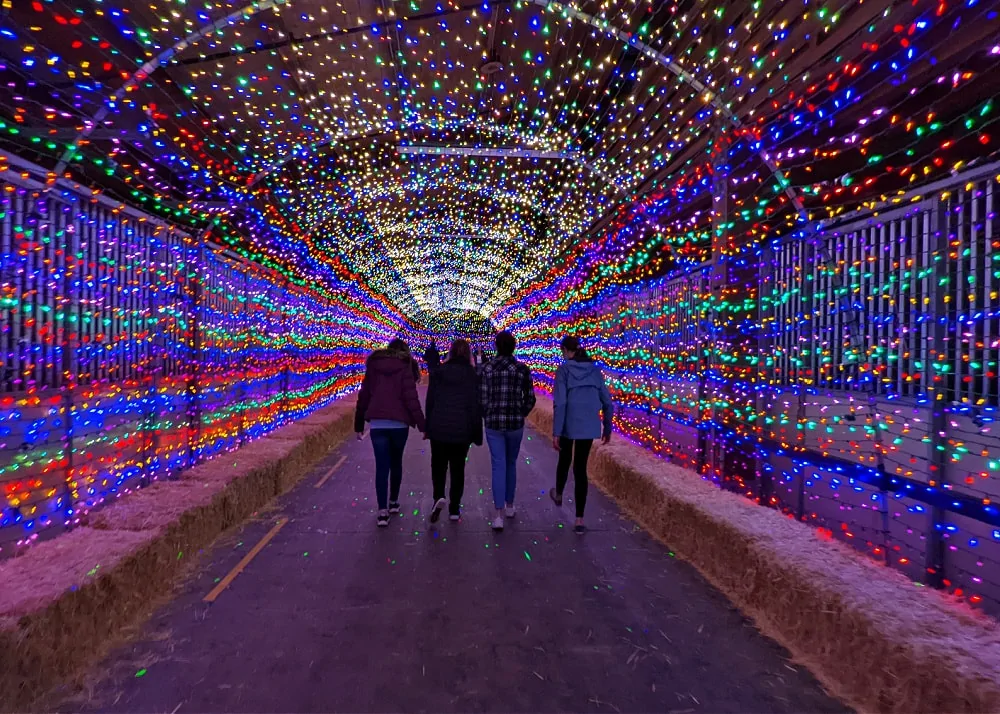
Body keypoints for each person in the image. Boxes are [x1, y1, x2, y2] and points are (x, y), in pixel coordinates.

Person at [354, 338, 426, 527]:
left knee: (381, 466)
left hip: (377, 423)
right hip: (399, 424)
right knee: (396, 462)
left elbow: (364, 396)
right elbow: (411, 398)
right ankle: (393, 501)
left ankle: (382, 511)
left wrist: (359, 423)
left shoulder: (374, 366)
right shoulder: (404, 366)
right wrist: (423, 425)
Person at [550, 335, 614, 534]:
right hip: (588, 424)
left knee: (565, 458)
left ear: (568, 351)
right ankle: (579, 519)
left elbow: (561, 403)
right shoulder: (595, 371)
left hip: (569, 423)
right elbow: (607, 402)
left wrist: (557, 431)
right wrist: (607, 426)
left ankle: (559, 493)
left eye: (563, 352)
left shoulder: (564, 370)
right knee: (580, 469)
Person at [479, 330, 536, 531]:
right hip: (514, 424)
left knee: (498, 466)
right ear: (514, 347)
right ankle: (510, 505)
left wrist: (488, 414)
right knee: (511, 463)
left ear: (496, 347)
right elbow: (530, 398)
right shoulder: (522, 369)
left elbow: (483, 398)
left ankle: (498, 515)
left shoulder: (487, 369)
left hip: (494, 424)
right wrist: (520, 413)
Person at [423, 338, 482, 523]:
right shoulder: (473, 375)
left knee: (438, 466)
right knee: (458, 468)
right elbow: (475, 405)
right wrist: (476, 432)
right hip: (462, 429)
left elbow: (430, 401)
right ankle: (454, 508)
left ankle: (438, 498)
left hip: (439, 426)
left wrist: (428, 426)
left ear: (450, 352)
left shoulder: (438, 372)